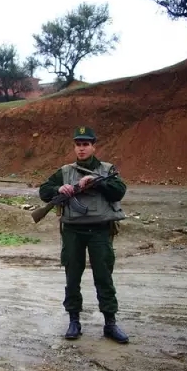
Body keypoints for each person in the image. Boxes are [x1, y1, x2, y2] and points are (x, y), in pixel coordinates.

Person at [39, 126, 129, 344]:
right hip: (73, 231)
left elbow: (119, 191)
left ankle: (110, 324)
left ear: (93, 146)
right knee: (72, 278)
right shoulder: (65, 171)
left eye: (86, 144)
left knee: (104, 277)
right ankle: (74, 321)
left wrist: (97, 183)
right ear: (74, 147)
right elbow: (44, 191)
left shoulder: (106, 169)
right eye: (78, 145)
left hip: (100, 230)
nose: (81, 149)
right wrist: (59, 190)